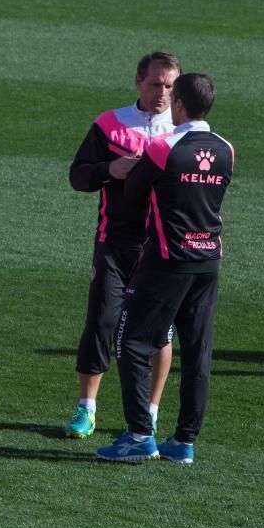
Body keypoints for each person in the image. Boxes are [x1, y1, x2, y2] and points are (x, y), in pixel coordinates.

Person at [97, 73, 234, 463]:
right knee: (198, 350)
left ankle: (140, 436)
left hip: (167, 261)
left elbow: (133, 190)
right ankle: (184, 442)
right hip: (208, 261)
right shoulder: (226, 149)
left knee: (131, 342)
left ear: (179, 104)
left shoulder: (164, 147)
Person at [63, 51, 182, 439]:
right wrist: (108, 170)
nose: (162, 93)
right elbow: (78, 177)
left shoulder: (184, 131)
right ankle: (87, 409)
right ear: (137, 81)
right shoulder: (109, 125)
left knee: (160, 333)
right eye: (155, 84)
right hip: (114, 243)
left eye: (169, 86)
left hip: (161, 248)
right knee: (101, 322)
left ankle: (151, 411)